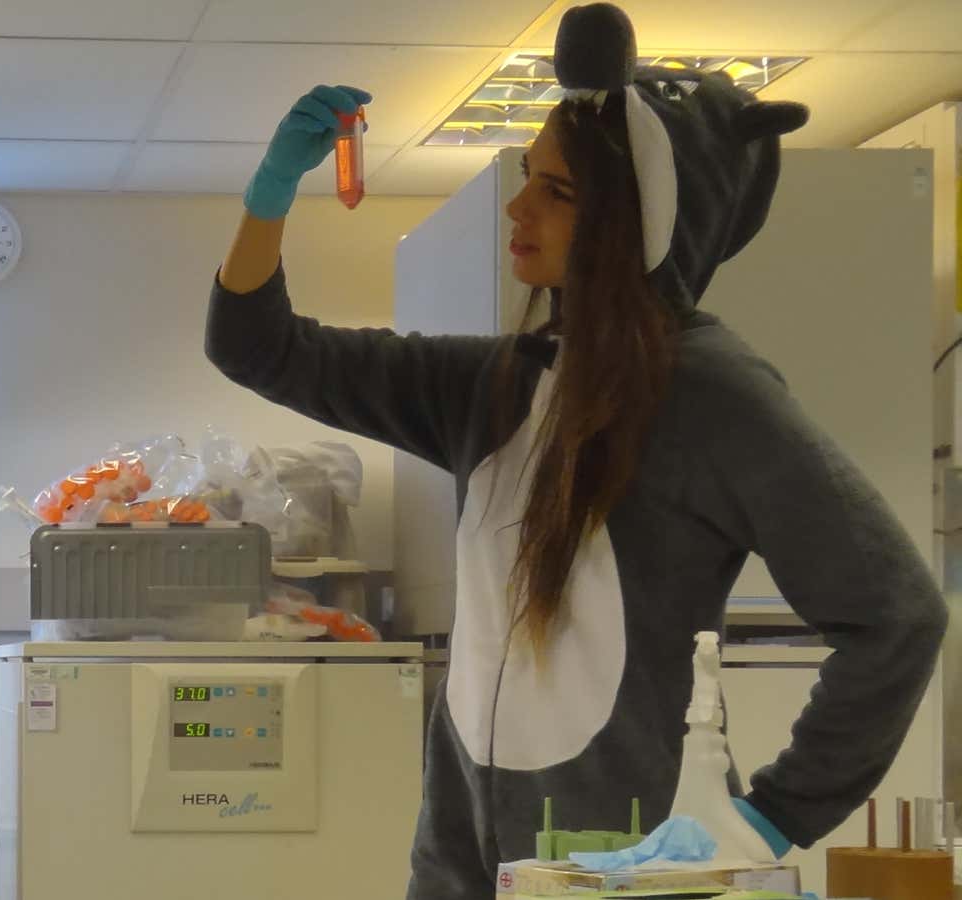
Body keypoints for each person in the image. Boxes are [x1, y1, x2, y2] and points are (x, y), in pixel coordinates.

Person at [204, 4, 947, 897]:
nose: (519, 206)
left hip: (624, 865)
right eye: (530, 177)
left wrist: (765, 818)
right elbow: (258, 346)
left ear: (637, 220)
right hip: (463, 863)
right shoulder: (493, 385)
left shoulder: (711, 395)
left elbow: (899, 614)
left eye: (557, 191)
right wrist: (271, 195)